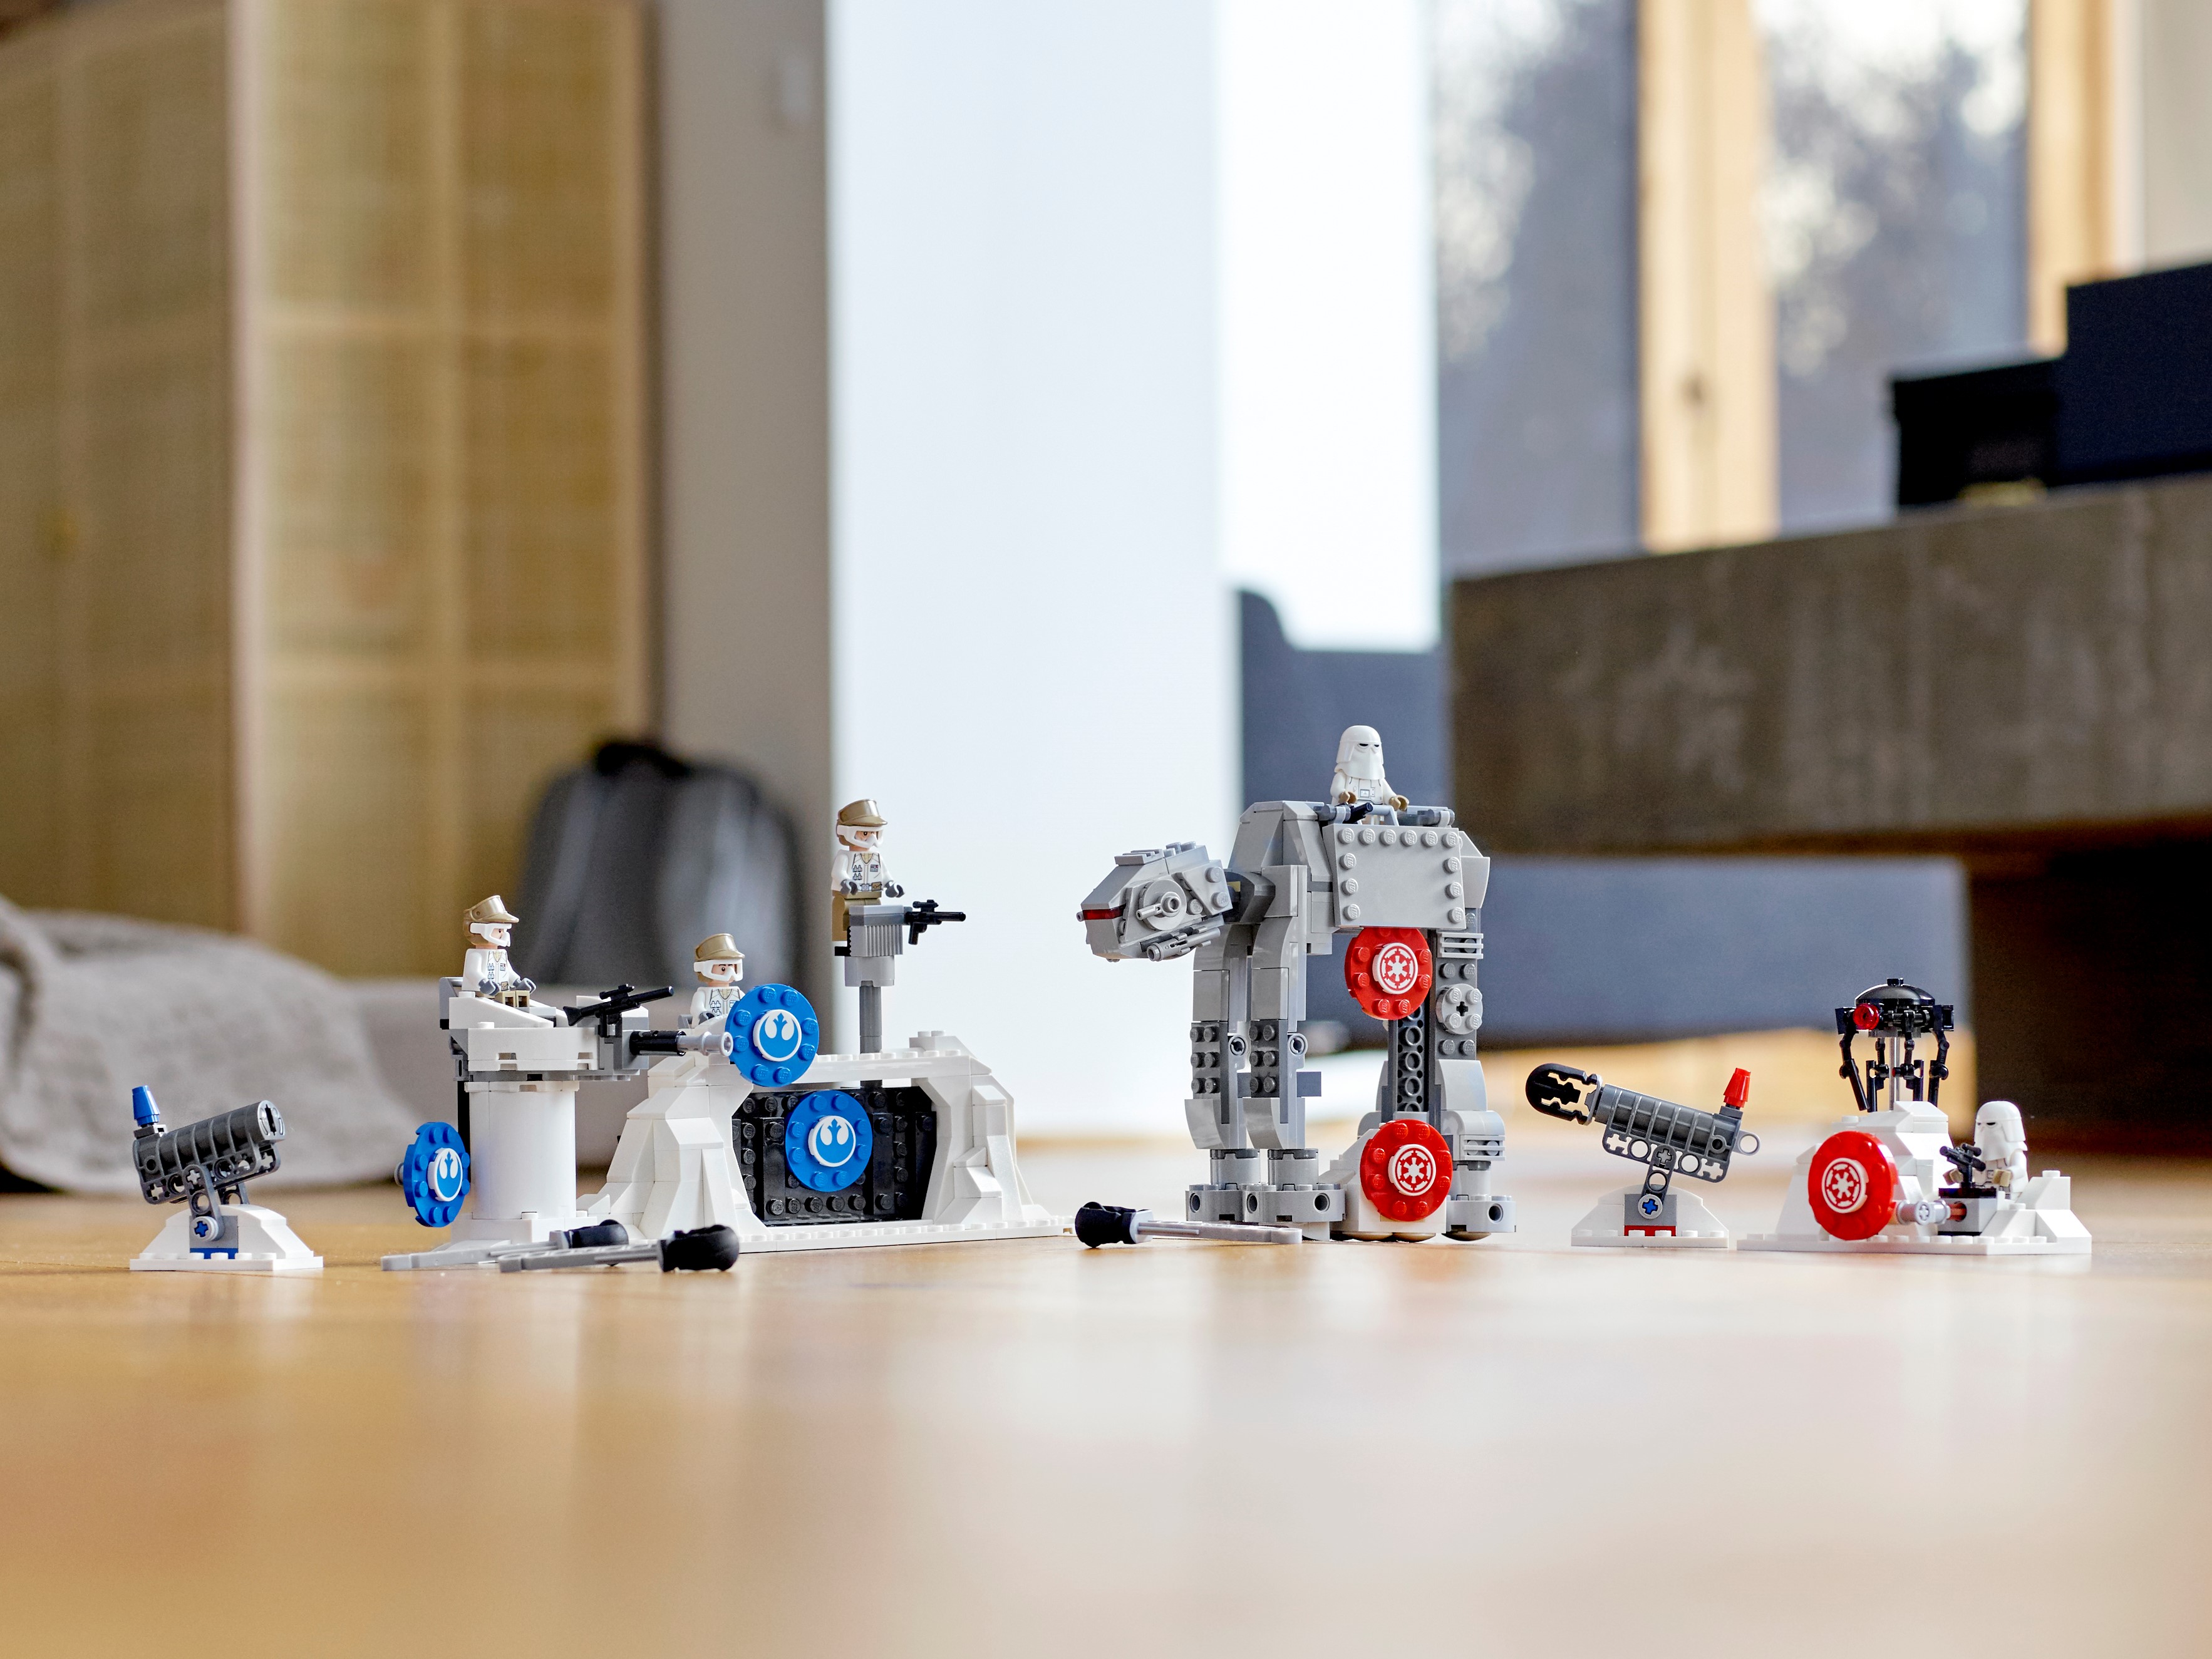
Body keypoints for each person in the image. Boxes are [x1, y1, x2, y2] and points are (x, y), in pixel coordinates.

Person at [831, 798, 904, 942]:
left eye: (874, 834)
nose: (871, 839)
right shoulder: (844, 856)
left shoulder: (877, 857)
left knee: (873, 924)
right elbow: (838, 873)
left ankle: (871, 940)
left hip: (873, 897)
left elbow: (885, 874)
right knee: (846, 922)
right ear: (847, 832)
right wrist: (846, 882)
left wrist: (891, 885)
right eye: (865, 834)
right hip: (849, 898)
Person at [460, 896, 547, 1011]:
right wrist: (483, 983)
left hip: (502, 995)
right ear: (477, 929)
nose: (504, 935)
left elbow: (508, 971)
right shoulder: (476, 955)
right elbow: (472, 972)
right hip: (481, 997)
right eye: (499, 930)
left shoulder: (501, 954)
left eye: (505, 930)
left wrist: (517, 983)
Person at [1330, 725, 1409, 820]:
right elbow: (1335, 789)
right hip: (1349, 818)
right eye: (1363, 746)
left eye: (1375, 746)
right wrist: (1343, 795)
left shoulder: (1379, 780)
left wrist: (1394, 800)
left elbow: (1387, 793)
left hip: (1375, 819)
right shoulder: (1344, 776)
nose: (1370, 751)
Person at [686, 933, 746, 1028]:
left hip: (734, 1029)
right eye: (723, 969)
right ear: (705, 969)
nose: (729, 972)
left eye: (732, 967)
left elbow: (747, 1006)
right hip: (708, 1029)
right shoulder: (702, 994)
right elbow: (696, 1008)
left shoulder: (738, 993)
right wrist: (703, 1014)